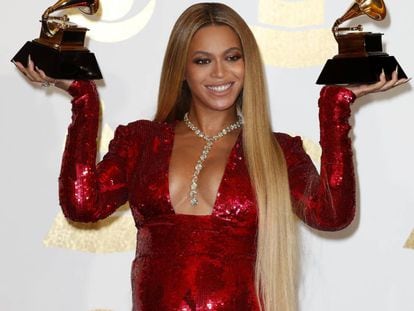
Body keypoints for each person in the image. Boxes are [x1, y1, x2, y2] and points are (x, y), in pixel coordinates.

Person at [14, 2, 408, 311]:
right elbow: (83, 206)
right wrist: (84, 101)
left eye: (232, 57)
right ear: (181, 69)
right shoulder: (141, 141)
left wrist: (336, 106)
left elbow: (333, 215)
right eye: (203, 60)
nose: (221, 73)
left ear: (247, 64)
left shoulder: (277, 152)